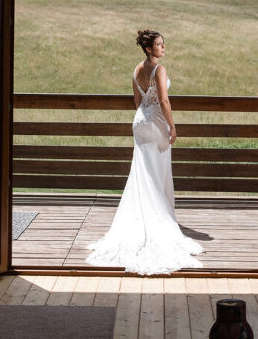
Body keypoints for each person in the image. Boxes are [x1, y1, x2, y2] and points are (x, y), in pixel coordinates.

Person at [86, 29, 203, 274]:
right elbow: (164, 100)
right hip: (156, 124)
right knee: (155, 174)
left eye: (163, 44)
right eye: (159, 45)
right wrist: (172, 126)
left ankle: (139, 220)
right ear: (149, 48)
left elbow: (138, 102)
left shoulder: (137, 69)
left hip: (140, 123)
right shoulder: (159, 70)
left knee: (141, 174)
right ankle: (157, 221)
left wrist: (146, 117)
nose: (163, 48)